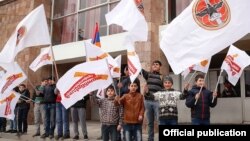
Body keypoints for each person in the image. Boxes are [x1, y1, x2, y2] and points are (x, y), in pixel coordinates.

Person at [141, 60, 163, 141]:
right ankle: (150, 139)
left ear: (160, 67)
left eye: (157, 64)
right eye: (153, 64)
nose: (155, 65)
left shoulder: (162, 77)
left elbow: (164, 89)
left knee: (160, 121)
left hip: (157, 102)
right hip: (147, 101)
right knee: (150, 123)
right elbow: (140, 70)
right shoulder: (148, 74)